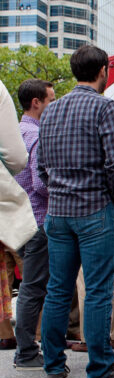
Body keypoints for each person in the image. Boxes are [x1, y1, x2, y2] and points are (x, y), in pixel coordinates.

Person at [36, 45, 114, 378]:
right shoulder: (104, 106)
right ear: (103, 71)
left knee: (57, 289)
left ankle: (53, 366)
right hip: (95, 210)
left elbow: (41, 167)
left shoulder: (50, 112)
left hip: (58, 212)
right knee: (97, 291)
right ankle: (99, 372)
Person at [71, 154, 114, 353]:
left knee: (85, 278)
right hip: (111, 214)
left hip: (82, 214)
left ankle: (87, 337)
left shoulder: (79, 145)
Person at [12, 79, 55, 369]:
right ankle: (26, 351)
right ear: (36, 102)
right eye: (50, 99)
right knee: (35, 286)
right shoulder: (37, 136)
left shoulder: (14, 134)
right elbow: (42, 184)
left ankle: (27, 348)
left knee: (31, 284)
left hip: (19, 219)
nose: (54, 105)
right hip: (39, 219)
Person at [0, 78, 34, 351]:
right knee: (31, 275)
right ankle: (27, 337)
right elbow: (15, 157)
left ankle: (5, 334)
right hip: (10, 214)